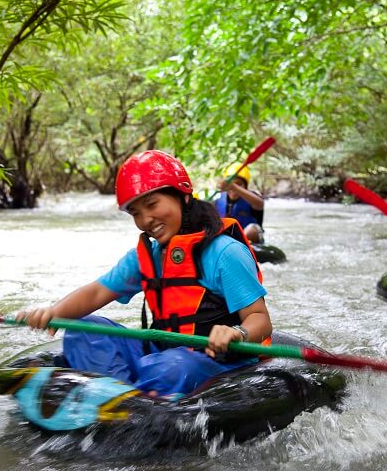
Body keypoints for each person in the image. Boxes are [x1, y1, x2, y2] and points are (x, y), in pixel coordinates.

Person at [18, 150, 272, 399]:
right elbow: (97, 292)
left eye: (152, 204)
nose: (146, 220)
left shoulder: (225, 252)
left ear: (183, 197)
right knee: (82, 329)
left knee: (170, 366)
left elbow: (260, 320)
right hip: (163, 354)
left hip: (218, 362)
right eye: (135, 213)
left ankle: (131, 398)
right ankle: (124, 398)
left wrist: (237, 333)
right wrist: (53, 313)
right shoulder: (147, 256)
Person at [215, 163, 265, 244]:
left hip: (249, 240)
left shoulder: (253, 198)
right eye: (231, 184)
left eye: (238, 184)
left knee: (252, 230)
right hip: (228, 240)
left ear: (245, 187)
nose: (232, 188)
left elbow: (260, 204)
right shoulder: (217, 202)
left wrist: (233, 186)